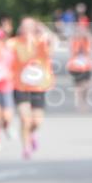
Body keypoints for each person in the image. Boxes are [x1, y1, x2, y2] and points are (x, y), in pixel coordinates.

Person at [11, 18, 55, 159]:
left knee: (36, 122)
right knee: (25, 119)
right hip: (20, 86)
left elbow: (54, 42)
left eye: (30, 27)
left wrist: (44, 29)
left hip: (38, 87)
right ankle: (26, 147)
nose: (27, 29)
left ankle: (32, 133)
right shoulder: (15, 43)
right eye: (24, 27)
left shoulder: (41, 42)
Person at [66, 16, 92, 112]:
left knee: (87, 85)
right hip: (75, 66)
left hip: (86, 65)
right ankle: (79, 103)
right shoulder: (74, 38)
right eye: (80, 27)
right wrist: (76, 36)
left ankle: (84, 100)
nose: (81, 29)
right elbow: (70, 48)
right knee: (78, 85)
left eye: (84, 27)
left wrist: (87, 35)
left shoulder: (87, 38)